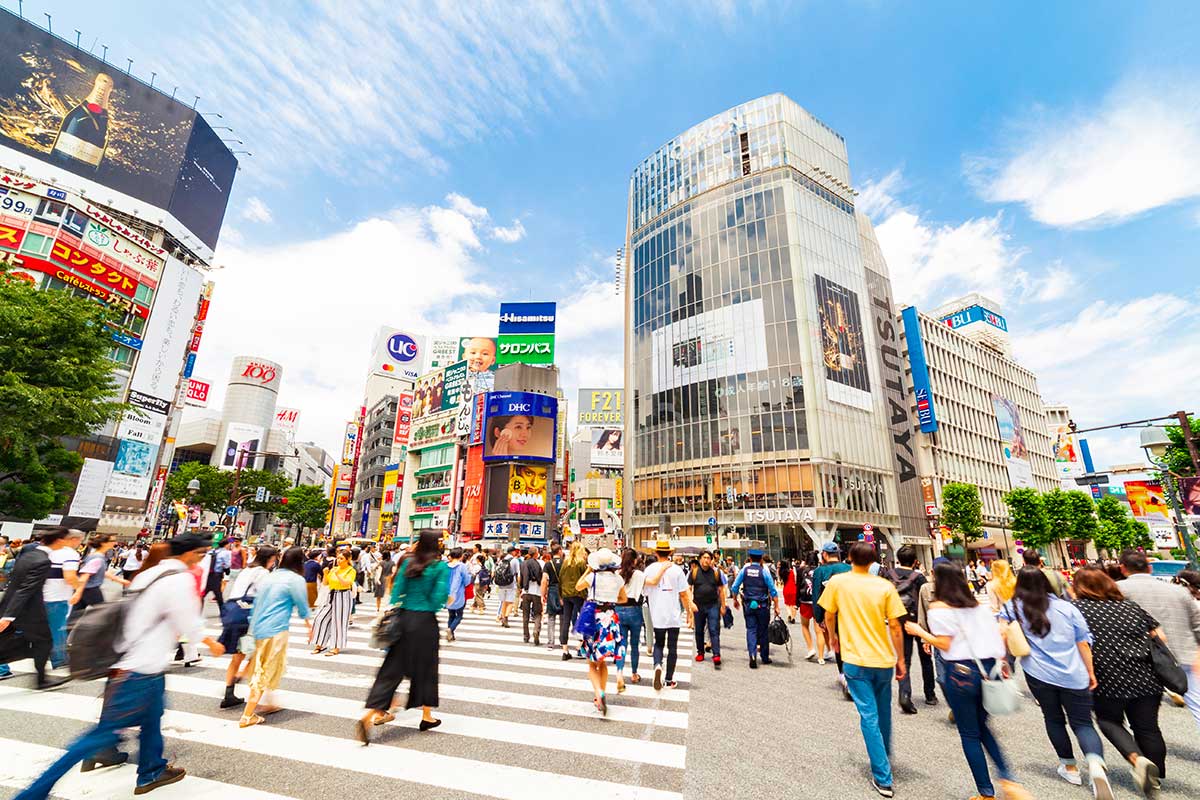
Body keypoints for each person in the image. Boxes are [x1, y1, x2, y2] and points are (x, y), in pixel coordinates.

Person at [12, 533, 224, 798]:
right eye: (201, 554)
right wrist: (211, 643)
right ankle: (32, 793)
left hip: (131, 662)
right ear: (190, 554)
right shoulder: (178, 580)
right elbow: (188, 622)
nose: (201, 560)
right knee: (99, 736)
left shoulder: (151, 574)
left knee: (152, 717)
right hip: (141, 669)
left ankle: (152, 770)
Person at [903, 562, 1030, 800]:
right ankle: (1009, 780)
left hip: (960, 672)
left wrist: (920, 633)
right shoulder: (979, 608)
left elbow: (944, 644)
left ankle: (986, 793)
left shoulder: (939, 608)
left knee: (970, 733)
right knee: (983, 728)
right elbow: (998, 640)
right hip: (988, 669)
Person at [1000, 567, 1111, 797]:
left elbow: (1001, 632)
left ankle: (1069, 766)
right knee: (1083, 723)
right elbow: (1082, 642)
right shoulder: (1066, 607)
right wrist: (1090, 672)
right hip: (1074, 673)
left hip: (1038, 674)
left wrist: (1003, 660)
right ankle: (1096, 766)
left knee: (1053, 718)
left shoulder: (1013, 607)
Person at [818, 542, 907, 799]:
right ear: (874, 561)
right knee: (883, 713)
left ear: (849, 558)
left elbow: (829, 615)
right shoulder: (884, 586)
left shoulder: (839, 583)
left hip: (855, 659)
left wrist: (833, 638)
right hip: (883, 660)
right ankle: (884, 759)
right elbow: (895, 627)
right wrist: (900, 659)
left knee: (868, 715)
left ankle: (883, 776)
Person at [1072, 566, 1165, 795]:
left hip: (1106, 676)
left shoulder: (1077, 609)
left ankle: (1138, 761)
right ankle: (1157, 776)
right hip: (1145, 675)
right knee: (1148, 727)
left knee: (1108, 721)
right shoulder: (1130, 607)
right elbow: (1159, 636)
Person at [358, 530, 449, 741]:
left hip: (403, 620)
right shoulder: (439, 567)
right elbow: (438, 599)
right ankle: (426, 715)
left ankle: (369, 716)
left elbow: (397, 591)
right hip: (425, 623)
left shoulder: (408, 563)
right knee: (427, 669)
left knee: (392, 669)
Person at [1117, 549, 1200, 733]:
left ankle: (1145, 748)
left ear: (1122, 568)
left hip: (1141, 657)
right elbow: (1197, 624)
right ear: (1150, 568)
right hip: (1185, 653)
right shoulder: (1178, 591)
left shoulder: (1119, 590)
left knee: (1142, 714)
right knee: (1198, 704)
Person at [239, 547, 310, 728]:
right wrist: (309, 624)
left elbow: (257, 603)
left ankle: (269, 702)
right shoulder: (295, 580)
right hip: (276, 629)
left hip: (258, 627)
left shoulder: (270, 576)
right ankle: (247, 715)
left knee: (264, 666)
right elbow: (302, 605)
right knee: (266, 669)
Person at [0, 534, 63, 689]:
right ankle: (41, 680)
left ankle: (41, 679)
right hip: (27, 611)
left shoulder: (27, 554)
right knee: (44, 642)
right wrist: (9, 616)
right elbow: (25, 588)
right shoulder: (43, 560)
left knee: (7, 640)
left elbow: (14, 583)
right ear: (59, 541)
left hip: (12, 606)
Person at [217, 546, 277, 710]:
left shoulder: (246, 570)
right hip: (248, 618)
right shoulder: (263, 574)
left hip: (233, 614)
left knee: (237, 657)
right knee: (259, 654)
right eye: (273, 560)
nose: (273, 563)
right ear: (269, 559)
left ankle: (229, 693)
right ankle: (241, 678)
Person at [575, 548, 627, 715]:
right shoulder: (618, 579)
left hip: (594, 619)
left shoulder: (593, 576)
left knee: (591, 662)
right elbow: (624, 599)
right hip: (610, 619)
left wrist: (589, 570)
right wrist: (611, 599)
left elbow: (578, 587)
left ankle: (599, 692)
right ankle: (602, 694)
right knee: (602, 661)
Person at [891, 545, 936, 713]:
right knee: (926, 658)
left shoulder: (889, 575)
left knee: (904, 659)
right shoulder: (919, 577)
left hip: (899, 620)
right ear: (916, 561)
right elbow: (927, 599)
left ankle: (904, 695)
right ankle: (930, 694)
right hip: (919, 622)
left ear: (897, 560)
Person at [642, 540, 689, 690]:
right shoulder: (677, 570)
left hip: (657, 613)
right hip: (673, 613)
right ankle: (669, 679)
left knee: (659, 643)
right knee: (672, 647)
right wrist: (689, 612)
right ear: (670, 553)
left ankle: (657, 665)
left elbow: (645, 592)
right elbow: (683, 594)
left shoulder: (649, 569)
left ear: (656, 553)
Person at [812, 541, 851, 697]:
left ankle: (844, 675)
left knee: (837, 643)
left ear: (824, 555)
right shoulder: (849, 569)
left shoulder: (820, 572)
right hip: (851, 612)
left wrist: (819, 617)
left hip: (832, 614)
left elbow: (817, 597)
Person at [730, 547, 780, 668]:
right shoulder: (764, 571)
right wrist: (777, 606)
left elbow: (735, 586)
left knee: (751, 630)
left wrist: (735, 599)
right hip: (762, 605)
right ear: (761, 559)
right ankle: (764, 656)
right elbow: (773, 590)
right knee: (763, 631)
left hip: (748, 605)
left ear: (750, 559)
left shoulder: (745, 570)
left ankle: (752, 655)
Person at [42, 528, 83, 670]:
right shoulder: (71, 554)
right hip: (57, 596)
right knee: (57, 628)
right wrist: (79, 587)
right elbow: (70, 577)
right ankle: (60, 660)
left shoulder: (46, 550)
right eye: (80, 540)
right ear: (73, 539)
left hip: (39, 595)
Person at [70, 533, 130, 621]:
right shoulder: (97, 558)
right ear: (103, 543)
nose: (115, 542)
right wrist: (77, 593)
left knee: (76, 615)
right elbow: (85, 576)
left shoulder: (97, 555)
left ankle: (65, 630)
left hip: (86, 589)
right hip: (91, 590)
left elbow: (101, 571)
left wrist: (119, 580)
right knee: (103, 614)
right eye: (112, 541)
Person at [309, 549, 355, 656]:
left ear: (348, 560)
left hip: (343, 595)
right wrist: (325, 574)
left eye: (341, 558)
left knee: (339, 622)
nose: (339, 560)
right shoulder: (334, 569)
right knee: (320, 618)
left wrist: (338, 574)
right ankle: (320, 643)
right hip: (331, 594)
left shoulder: (350, 570)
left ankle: (336, 647)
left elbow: (346, 583)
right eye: (338, 558)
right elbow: (325, 583)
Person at [689, 550, 727, 669]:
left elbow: (721, 590)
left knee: (714, 629)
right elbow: (689, 589)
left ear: (711, 560)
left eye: (708, 558)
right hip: (698, 605)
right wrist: (691, 604)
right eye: (704, 558)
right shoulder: (694, 573)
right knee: (699, 630)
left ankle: (716, 654)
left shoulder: (716, 573)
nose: (706, 560)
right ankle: (700, 652)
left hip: (713, 605)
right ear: (700, 559)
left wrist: (723, 605)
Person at [615, 548, 646, 687]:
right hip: (634, 610)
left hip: (619, 609)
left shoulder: (616, 574)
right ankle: (634, 673)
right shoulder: (639, 574)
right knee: (634, 645)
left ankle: (620, 672)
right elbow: (649, 584)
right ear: (634, 560)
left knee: (621, 644)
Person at [558, 542, 588, 660]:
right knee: (585, 619)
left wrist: (560, 595)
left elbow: (560, 579)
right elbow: (584, 579)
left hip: (566, 594)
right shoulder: (581, 563)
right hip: (579, 594)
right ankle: (581, 645)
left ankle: (565, 650)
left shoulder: (565, 562)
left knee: (566, 621)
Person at [794, 557, 822, 661]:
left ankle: (810, 648)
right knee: (819, 630)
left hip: (805, 600)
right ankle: (821, 656)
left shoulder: (801, 570)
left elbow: (798, 587)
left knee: (804, 625)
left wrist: (796, 603)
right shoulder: (820, 570)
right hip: (817, 601)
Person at [519, 546, 544, 646]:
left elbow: (521, 577)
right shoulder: (541, 563)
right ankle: (536, 631)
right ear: (536, 553)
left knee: (525, 614)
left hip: (526, 591)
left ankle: (526, 635)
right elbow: (543, 578)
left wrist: (521, 588)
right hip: (537, 592)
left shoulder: (523, 563)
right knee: (538, 613)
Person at [445, 548, 471, 642]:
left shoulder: (445, 566)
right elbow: (467, 581)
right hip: (459, 594)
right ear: (460, 556)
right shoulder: (462, 566)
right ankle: (450, 629)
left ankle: (451, 634)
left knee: (451, 615)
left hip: (447, 594)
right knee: (459, 615)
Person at [542, 545, 563, 648]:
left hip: (552, 590)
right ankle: (563, 640)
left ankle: (551, 641)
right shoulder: (565, 563)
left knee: (551, 617)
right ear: (559, 551)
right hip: (563, 591)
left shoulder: (548, 564)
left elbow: (544, 580)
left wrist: (543, 594)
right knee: (563, 617)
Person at [492, 548, 518, 627]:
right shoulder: (514, 561)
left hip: (501, 584)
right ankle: (506, 617)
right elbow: (517, 573)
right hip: (510, 584)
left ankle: (502, 617)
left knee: (503, 602)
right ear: (513, 552)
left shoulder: (501, 561)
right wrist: (519, 585)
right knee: (510, 602)